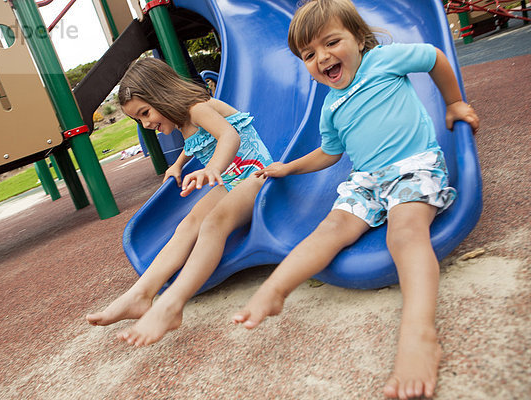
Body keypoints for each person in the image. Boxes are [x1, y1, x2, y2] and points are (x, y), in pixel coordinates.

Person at [232, 1, 479, 399]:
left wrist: (452, 102)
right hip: (366, 180)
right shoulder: (330, 107)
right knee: (329, 228)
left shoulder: (382, 61)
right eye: (309, 55)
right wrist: (288, 168)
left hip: (412, 166)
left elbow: (434, 57)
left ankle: (419, 335)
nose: (322, 57)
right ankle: (276, 288)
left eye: (331, 42)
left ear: (359, 40)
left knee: (405, 233)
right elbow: (330, 153)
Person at [86, 57, 273, 347]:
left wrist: (213, 168)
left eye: (145, 113)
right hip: (232, 180)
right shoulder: (183, 121)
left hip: (257, 176)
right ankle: (141, 295)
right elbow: (193, 144)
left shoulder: (198, 108)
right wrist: (178, 165)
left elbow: (228, 135)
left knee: (213, 224)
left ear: (161, 93)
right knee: (188, 224)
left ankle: (172, 305)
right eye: (139, 120)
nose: (146, 124)